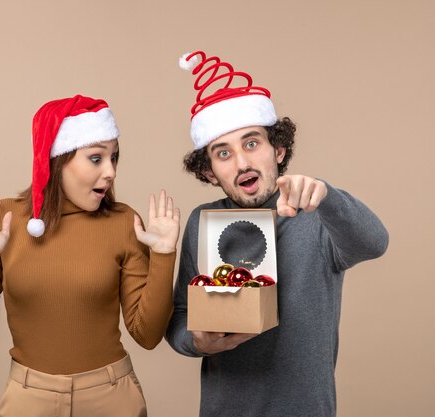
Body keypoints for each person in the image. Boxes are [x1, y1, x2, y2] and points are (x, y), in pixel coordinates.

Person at [165, 51, 389, 417]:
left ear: (278, 149)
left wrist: (327, 196)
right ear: (209, 172)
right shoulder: (201, 222)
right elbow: (179, 319)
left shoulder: (315, 213)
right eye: (223, 153)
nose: (241, 163)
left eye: (252, 144)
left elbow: (374, 243)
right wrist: (198, 342)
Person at [0, 95, 180, 417]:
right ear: (57, 160)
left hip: (112, 398)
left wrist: (164, 255)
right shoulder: (4, 220)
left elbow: (148, 335)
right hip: (28, 400)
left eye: (114, 158)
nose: (111, 171)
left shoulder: (125, 222)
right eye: (96, 158)